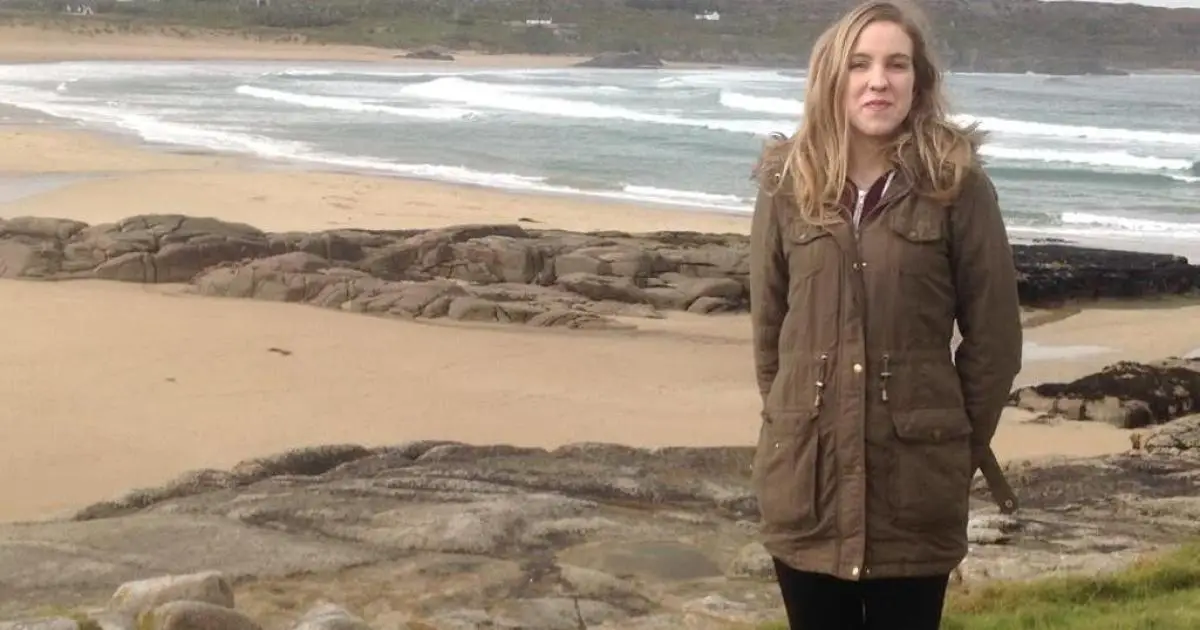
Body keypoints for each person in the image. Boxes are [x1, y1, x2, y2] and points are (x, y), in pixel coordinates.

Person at [747, 1, 1024, 629]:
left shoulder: (957, 186)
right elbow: (769, 334)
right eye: (860, 64)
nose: (879, 81)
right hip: (806, 490)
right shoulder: (787, 185)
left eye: (897, 64)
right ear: (831, 77)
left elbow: (995, 342)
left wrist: (950, 446)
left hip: (917, 491)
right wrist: (797, 426)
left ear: (918, 80)